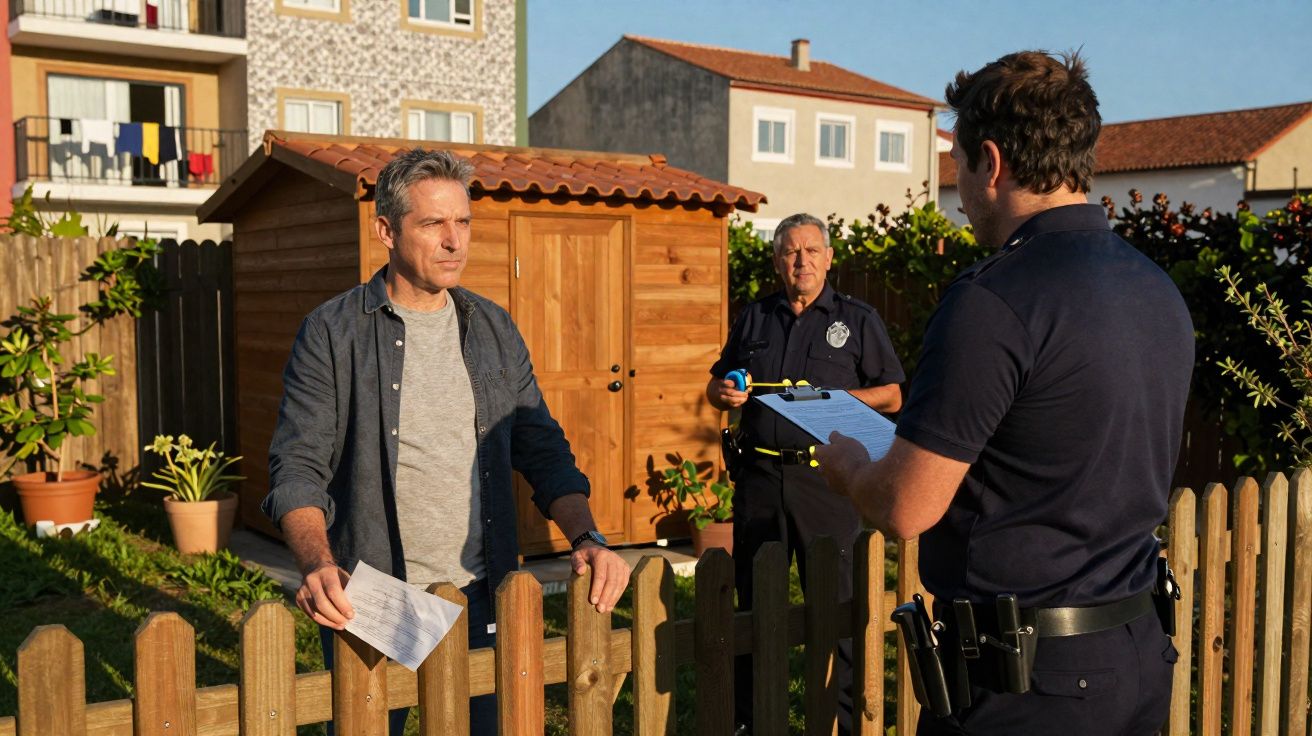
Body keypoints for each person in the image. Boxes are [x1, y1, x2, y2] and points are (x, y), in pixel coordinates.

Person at [814, 51, 1194, 735]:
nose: (958, 190)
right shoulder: (1156, 288)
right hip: (1135, 651)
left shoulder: (993, 301)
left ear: (990, 162)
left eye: (957, 164)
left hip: (1027, 681)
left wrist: (850, 470)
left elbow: (905, 508)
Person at [264, 148, 632, 735]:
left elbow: (541, 447)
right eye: (433, 223)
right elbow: (298, 465)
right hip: (374, 598)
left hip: (482, 594)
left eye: (463, 222)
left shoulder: (493, 327)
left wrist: (586, 536)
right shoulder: (332, 333)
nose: (454, 241)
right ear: (386, 231)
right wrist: (318, 564)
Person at [707, 212, 904, 735]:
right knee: (753, 603)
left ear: (829, 258)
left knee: (836, 606)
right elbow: (717, 386)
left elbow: (892, 395)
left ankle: (842, 720)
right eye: (791, 252)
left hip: (827, 483)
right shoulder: (755, 317)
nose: (802, 261)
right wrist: (723, 393)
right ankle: (750, 720)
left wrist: (836, 400)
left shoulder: (857, 320)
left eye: (812, 250)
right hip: (760, 480)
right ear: (777, 261)